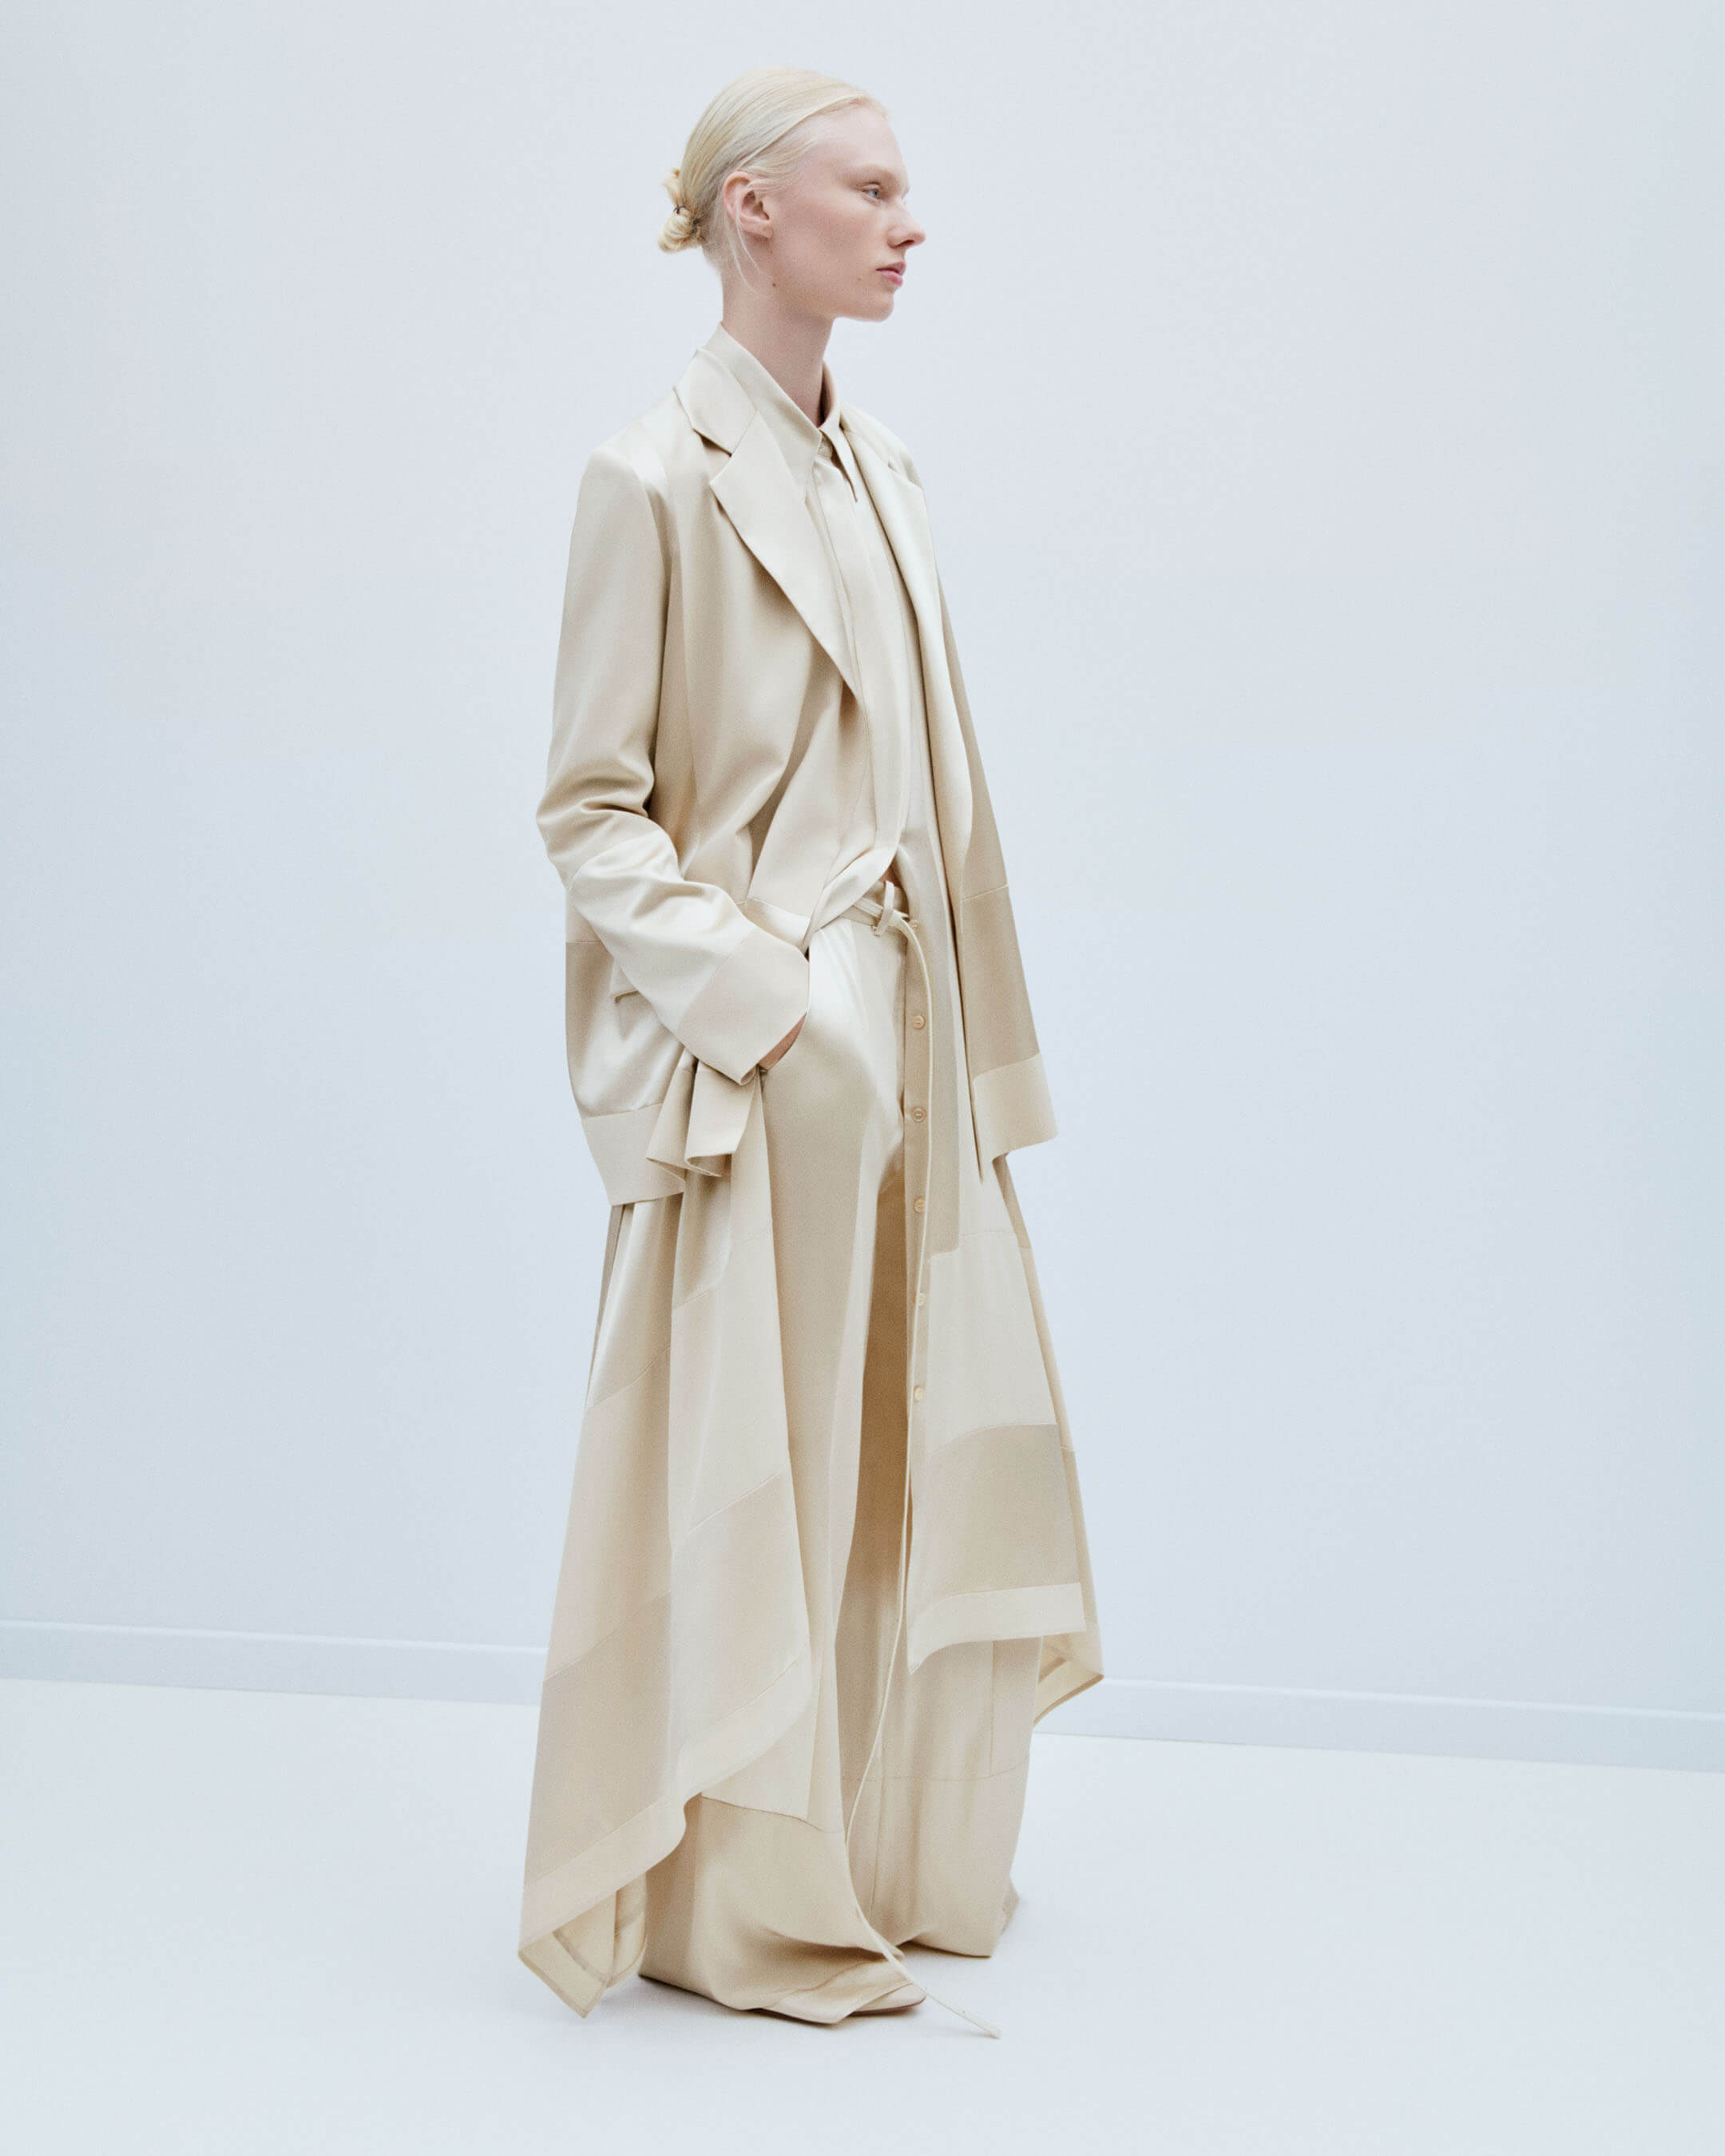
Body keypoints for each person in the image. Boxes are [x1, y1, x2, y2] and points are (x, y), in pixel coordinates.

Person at [518, 65, 1103, 2038]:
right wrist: (775, 1011)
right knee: (760, 1464)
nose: (908, 223)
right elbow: (591, 808)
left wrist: (969, 1046)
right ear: (751, 211)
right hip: (770, 1057)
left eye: (903, 189)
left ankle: (890, 1852)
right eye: (870, 187)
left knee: (916, 1449)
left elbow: (949, 786)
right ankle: (742, 1895)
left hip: (920, 1031)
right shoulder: (648, 477)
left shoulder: (887, 470)